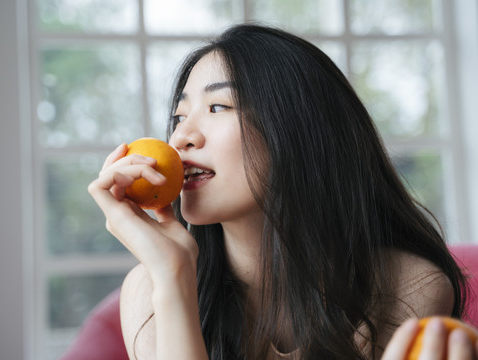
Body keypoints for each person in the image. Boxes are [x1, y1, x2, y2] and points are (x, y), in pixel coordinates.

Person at [88, 24, 475, 359]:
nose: (180, 138)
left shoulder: (407, 284)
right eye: (179, 116)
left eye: (219, 107)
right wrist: (173, 275)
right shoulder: (150, 289)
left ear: (298, 130)